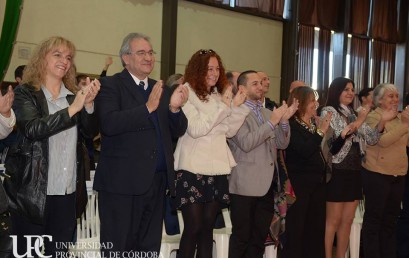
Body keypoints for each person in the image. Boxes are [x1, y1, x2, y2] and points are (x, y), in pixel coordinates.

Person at [3, 36, 100, 257]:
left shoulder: (73, 97)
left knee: (59, 253)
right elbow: (33, 129)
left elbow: (89, 133)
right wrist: (73, 109)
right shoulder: (26, 93)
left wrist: (89, 105)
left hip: (67, 193)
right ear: (41, 59)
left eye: (68, 57)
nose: (64, 61)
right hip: (32, 193)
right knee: (30, 254)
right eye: (57, 55)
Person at [94, 32, 188, 256]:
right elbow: (108, 123)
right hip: (121, 185)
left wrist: (174, 109)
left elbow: (178, 130)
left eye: (150, 52)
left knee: (148, 248)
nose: (148, 57)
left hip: (156, 183)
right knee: (119, 247)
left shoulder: (161, 89)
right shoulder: (110, 85)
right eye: (141, 52)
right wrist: (147, 108)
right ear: (126, 58)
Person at [173, 49, 248, 258]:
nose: (214, 73)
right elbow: (196, 129)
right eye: (209, 68)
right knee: (194, 227)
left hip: (216, 168)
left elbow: (228, 131)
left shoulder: (217, 95)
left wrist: (237, 108)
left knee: (208, 228)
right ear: (198, 70)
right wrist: (225, 107)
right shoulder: (186, 92)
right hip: (192, 167)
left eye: (217, 68)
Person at [228, 70, 297, 258]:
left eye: (261, 83)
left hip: (267, 186)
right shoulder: (237, 112)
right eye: (255, 84)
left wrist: (283, 122)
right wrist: (272, 123)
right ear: (242, 88)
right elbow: (246, 143)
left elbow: (282, 144)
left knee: (258, 240)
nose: (260, 87)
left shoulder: (267, 112)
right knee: (241, 238)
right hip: (244, 185)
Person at [320, 77, 389, 258]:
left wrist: (382, 123)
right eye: (346, 89)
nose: (351, 93)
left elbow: (372, 138)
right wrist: (359, 121)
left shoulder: (352, 113)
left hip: (355, 171)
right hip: (337, 170)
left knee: (348, 220)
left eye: (352, 89)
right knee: (333, 220)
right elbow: (336, 143)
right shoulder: (329, 111)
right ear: (336, 91)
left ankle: (341, 256)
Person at [281, 86, 331, 258]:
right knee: (298, 228)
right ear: (300, 103)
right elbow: (305, 149)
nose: (315, 104)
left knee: (316, 228)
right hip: (299, 184)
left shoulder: (313, 124)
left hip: (317, 183)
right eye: (311, 100)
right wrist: (321, 132)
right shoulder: (292, 125)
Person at [361, 83, 409, 258]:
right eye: (390, 96)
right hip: (377, 175)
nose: (395, 99)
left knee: (390, 222)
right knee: (374, 221)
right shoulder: (374, 117)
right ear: (379, 100)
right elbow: (383, 141)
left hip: (399, 174)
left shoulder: (400, 118)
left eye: (397, 96)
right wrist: (404, 125)